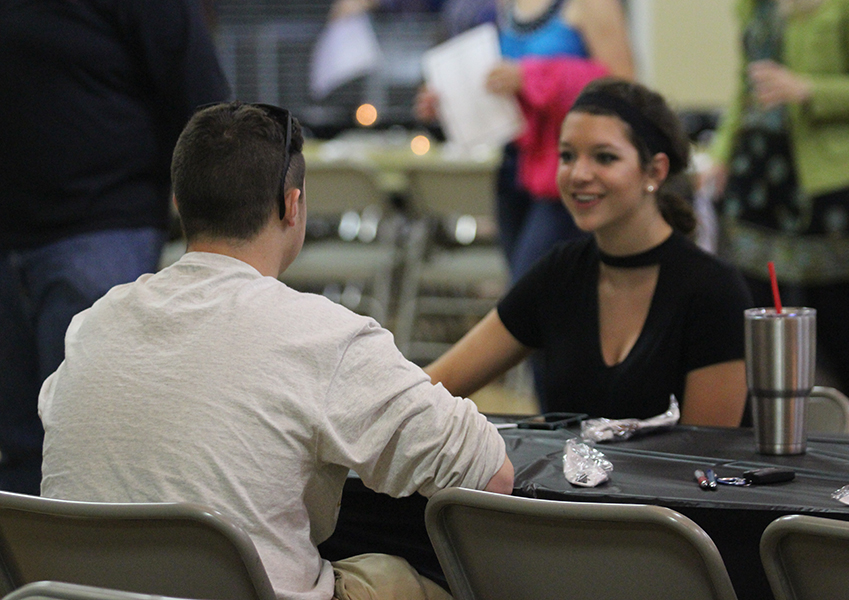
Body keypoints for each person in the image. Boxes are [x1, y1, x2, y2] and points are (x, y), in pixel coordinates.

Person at [38, 102, 514, 600]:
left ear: (180, 202)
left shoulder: (92, 325)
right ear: (292, 205)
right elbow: (491, 474)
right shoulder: (321, 336)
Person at [0, 0, 231, 494]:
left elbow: (204, 103)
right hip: (15, 237)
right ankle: (25, 573)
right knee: (17, 446)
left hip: (100, 227)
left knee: (93, 436)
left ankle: (89, 571)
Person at [425, 79, 754, 426]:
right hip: (570, 481)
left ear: (655, 171)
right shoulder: (559, 274)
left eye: (604, 158)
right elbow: (434, 387)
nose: (578, 174)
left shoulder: (714, 291)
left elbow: (708, 456)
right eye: (567, 156)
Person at [702, 0, 849, 432]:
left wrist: (807, 88)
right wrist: (721, 154)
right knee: (753, 317)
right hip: (757, 177)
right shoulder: (754, 5)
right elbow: (744, 86)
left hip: (833, 183)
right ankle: (762, 433)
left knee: (841, 327)